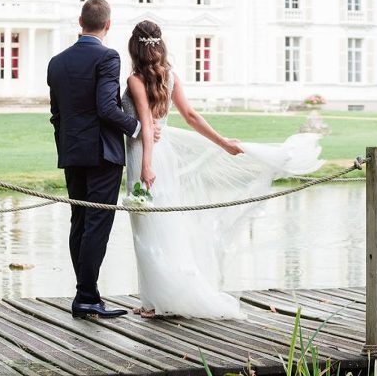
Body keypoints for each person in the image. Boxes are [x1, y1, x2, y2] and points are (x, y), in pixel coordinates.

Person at [122, 20, 324, 319]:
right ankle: (156, 297)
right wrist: (220, 140)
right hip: (164, 156)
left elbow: (147, 124)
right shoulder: (170, 76)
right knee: (164, 226)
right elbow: (190, 115)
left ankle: (154, 301)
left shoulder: (135, 80)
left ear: (134, 47)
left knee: (147, 228)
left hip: (145, 155)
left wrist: (147, 165)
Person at [47, 0, 142, 319]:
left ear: (80, 21)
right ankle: (87, 296)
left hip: (72, 153)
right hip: (102, 153)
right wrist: (138, 127)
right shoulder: (107, 56)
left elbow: (56, 115)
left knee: (80, 222)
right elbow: (107, 108)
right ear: (108, 24)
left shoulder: (56, 62)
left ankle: (85, 295)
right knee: (97, 225)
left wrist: (67, 146)